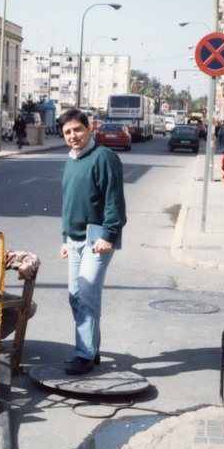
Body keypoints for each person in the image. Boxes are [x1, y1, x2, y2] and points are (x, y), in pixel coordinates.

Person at [58, 108, 126, 376]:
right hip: (73, 240)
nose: (73, 136)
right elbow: (68, 203)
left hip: (96, 240)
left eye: (77, 129)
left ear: (89, 128)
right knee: (75, 296)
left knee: (87, 296)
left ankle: (84, 355)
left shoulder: (104, 157)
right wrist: (64, 238)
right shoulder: (71, 160)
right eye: (67, 132)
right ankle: (91, 349)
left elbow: (114, 200)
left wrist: (109, 235)